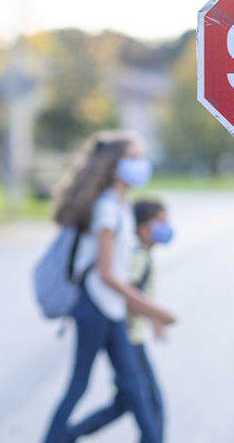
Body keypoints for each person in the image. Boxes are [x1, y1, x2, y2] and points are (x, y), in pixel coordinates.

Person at [42, 131, 176, 443]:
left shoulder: (119, 205)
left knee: (135, 389)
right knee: (81, 386)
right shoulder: (106, 209)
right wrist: (152, 310)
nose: (142, 164)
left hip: (111, 309)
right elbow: (106, 274)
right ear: (115, 168)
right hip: (95, 307)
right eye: (134, 159)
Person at [69, 199, 174, 439]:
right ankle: (65, 435)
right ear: (142, 229)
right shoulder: (138, 257)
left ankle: (68, 435)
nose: (167, 228)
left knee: (126, 403)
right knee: (151, 404)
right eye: (161, 222)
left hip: (131, 337)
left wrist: (153, 320)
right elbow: (127, 296)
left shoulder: (142, 255)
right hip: (129, 340)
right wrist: (156, 314)